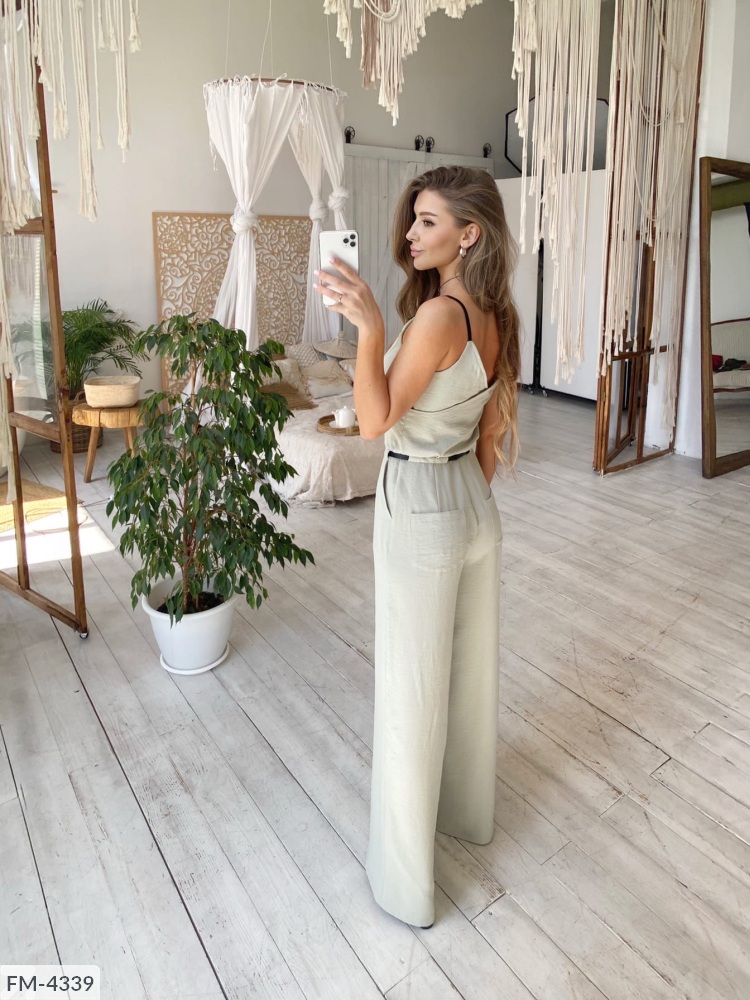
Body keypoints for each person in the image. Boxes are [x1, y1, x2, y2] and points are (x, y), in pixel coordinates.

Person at [314, 165, 520, 929]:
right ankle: (464, 816)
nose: (409, 234)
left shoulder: (437, 317)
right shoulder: (495, 312)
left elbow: (373, 423)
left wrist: (371, 330)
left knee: (411, 690)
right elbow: (490, 436)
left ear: (469, 233)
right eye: (413, 219)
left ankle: (404, 888)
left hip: (422, 501)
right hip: (471, 503)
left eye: (427, 221)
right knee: (465, 680)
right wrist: (463, 503)